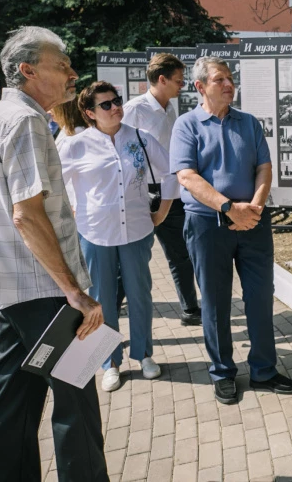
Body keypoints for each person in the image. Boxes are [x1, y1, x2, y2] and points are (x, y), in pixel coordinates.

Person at [0, 26, 107, 481]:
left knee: (13, 406)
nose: (72, 73)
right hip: (46, 293)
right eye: (61, 64)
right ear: (27, 70)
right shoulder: (23, 121)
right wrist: (75, 293)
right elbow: (27, 214)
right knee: (76, 405)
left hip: (12, 291)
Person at [170, 57, 292, 404]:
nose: (228, 84)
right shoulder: (187, 125)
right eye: (219, 80)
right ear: (200, 87)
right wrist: (229, 209)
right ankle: (223, 371)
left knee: (259, 296)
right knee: (214, 301)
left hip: (253, 222)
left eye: (230, 78)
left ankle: (263, 371)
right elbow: (187, 177)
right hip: (208, 224)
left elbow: (264, 168)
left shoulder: (249, 123)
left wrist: (253, 208)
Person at [59, 81, 177, 392]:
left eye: (117, 101)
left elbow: (170, 173)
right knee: (100, 301)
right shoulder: (75, 145)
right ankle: (108, 362)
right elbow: (54, 186)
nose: (115, 108)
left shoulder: (140, 138)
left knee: (140, 295)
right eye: (106, 105)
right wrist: (71, 212)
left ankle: (144, 355)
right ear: (89, 113)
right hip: (95, 234)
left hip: (137, 230)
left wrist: (161, 212)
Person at [122, 53, 202, 326]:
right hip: (143, 194)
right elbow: (122, 151)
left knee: (181, 253)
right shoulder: (135, 110)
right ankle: (110, 306)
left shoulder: (169, 108)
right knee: (134, 257)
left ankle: (191, 310)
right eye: (178, 81)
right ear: (161, 79)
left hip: (174, 191)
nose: (183, 86)